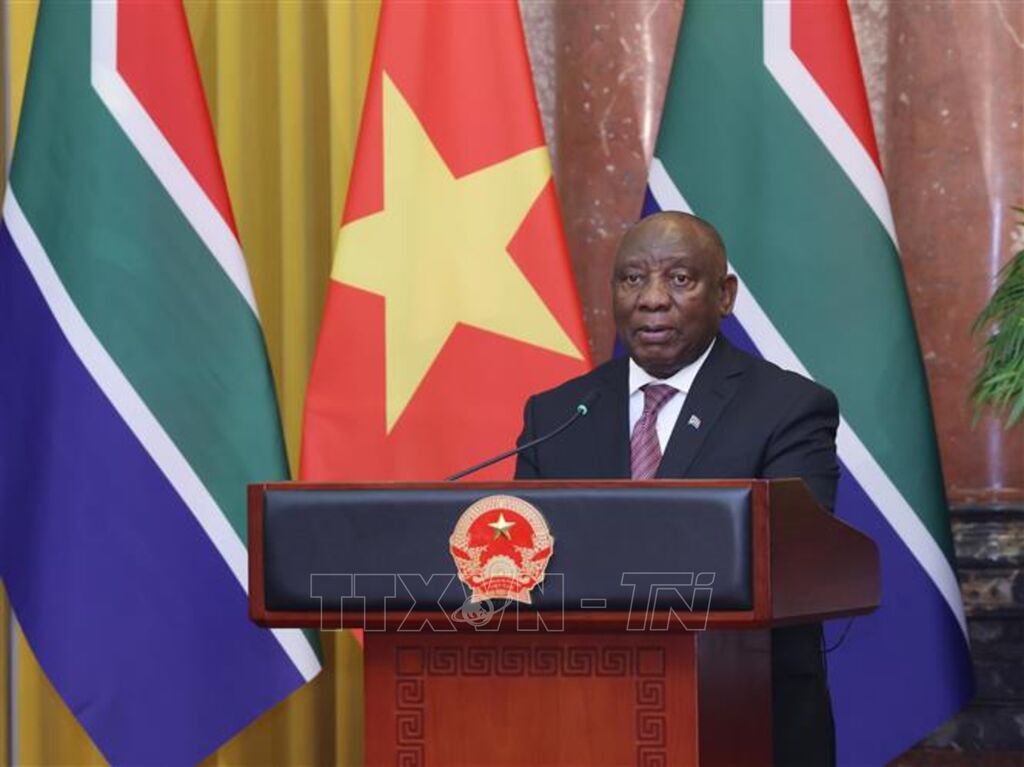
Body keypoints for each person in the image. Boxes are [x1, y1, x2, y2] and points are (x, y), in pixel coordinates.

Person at [514, 210, 839, 766]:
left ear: (724, 295)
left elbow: (789, 552)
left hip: (745, 715)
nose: (652, 300)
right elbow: (526, 560)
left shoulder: (789, 408)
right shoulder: (558, 413)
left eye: (680, 279)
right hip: (586, 713)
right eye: (632, 279)